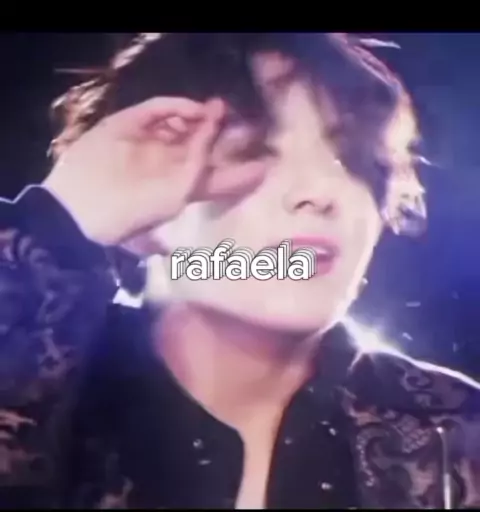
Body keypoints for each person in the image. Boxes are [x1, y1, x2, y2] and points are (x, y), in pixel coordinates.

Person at [1, 32, 480, 509]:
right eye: (251, 151)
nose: (321, 191)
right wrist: (58, 218)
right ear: (138, 211)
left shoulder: (452, 428)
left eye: (353, 159)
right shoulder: (44, 392)